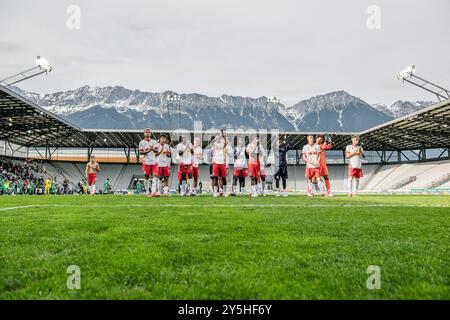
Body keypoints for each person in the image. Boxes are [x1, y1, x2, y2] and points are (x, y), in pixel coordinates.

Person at [139, 128, 159, 196]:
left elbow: (156, 151)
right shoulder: (141, 142)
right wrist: (148, 150)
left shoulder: (154, 141)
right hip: (146, 162)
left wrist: (152, 148)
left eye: (149, 132)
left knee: (155, 176)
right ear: (144, 134)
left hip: (154, 161)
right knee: (146, 177)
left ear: (150, 133)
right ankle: (147, 191)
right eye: (146, 132)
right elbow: (141, 152)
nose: (147, 133)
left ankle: (153, 192)